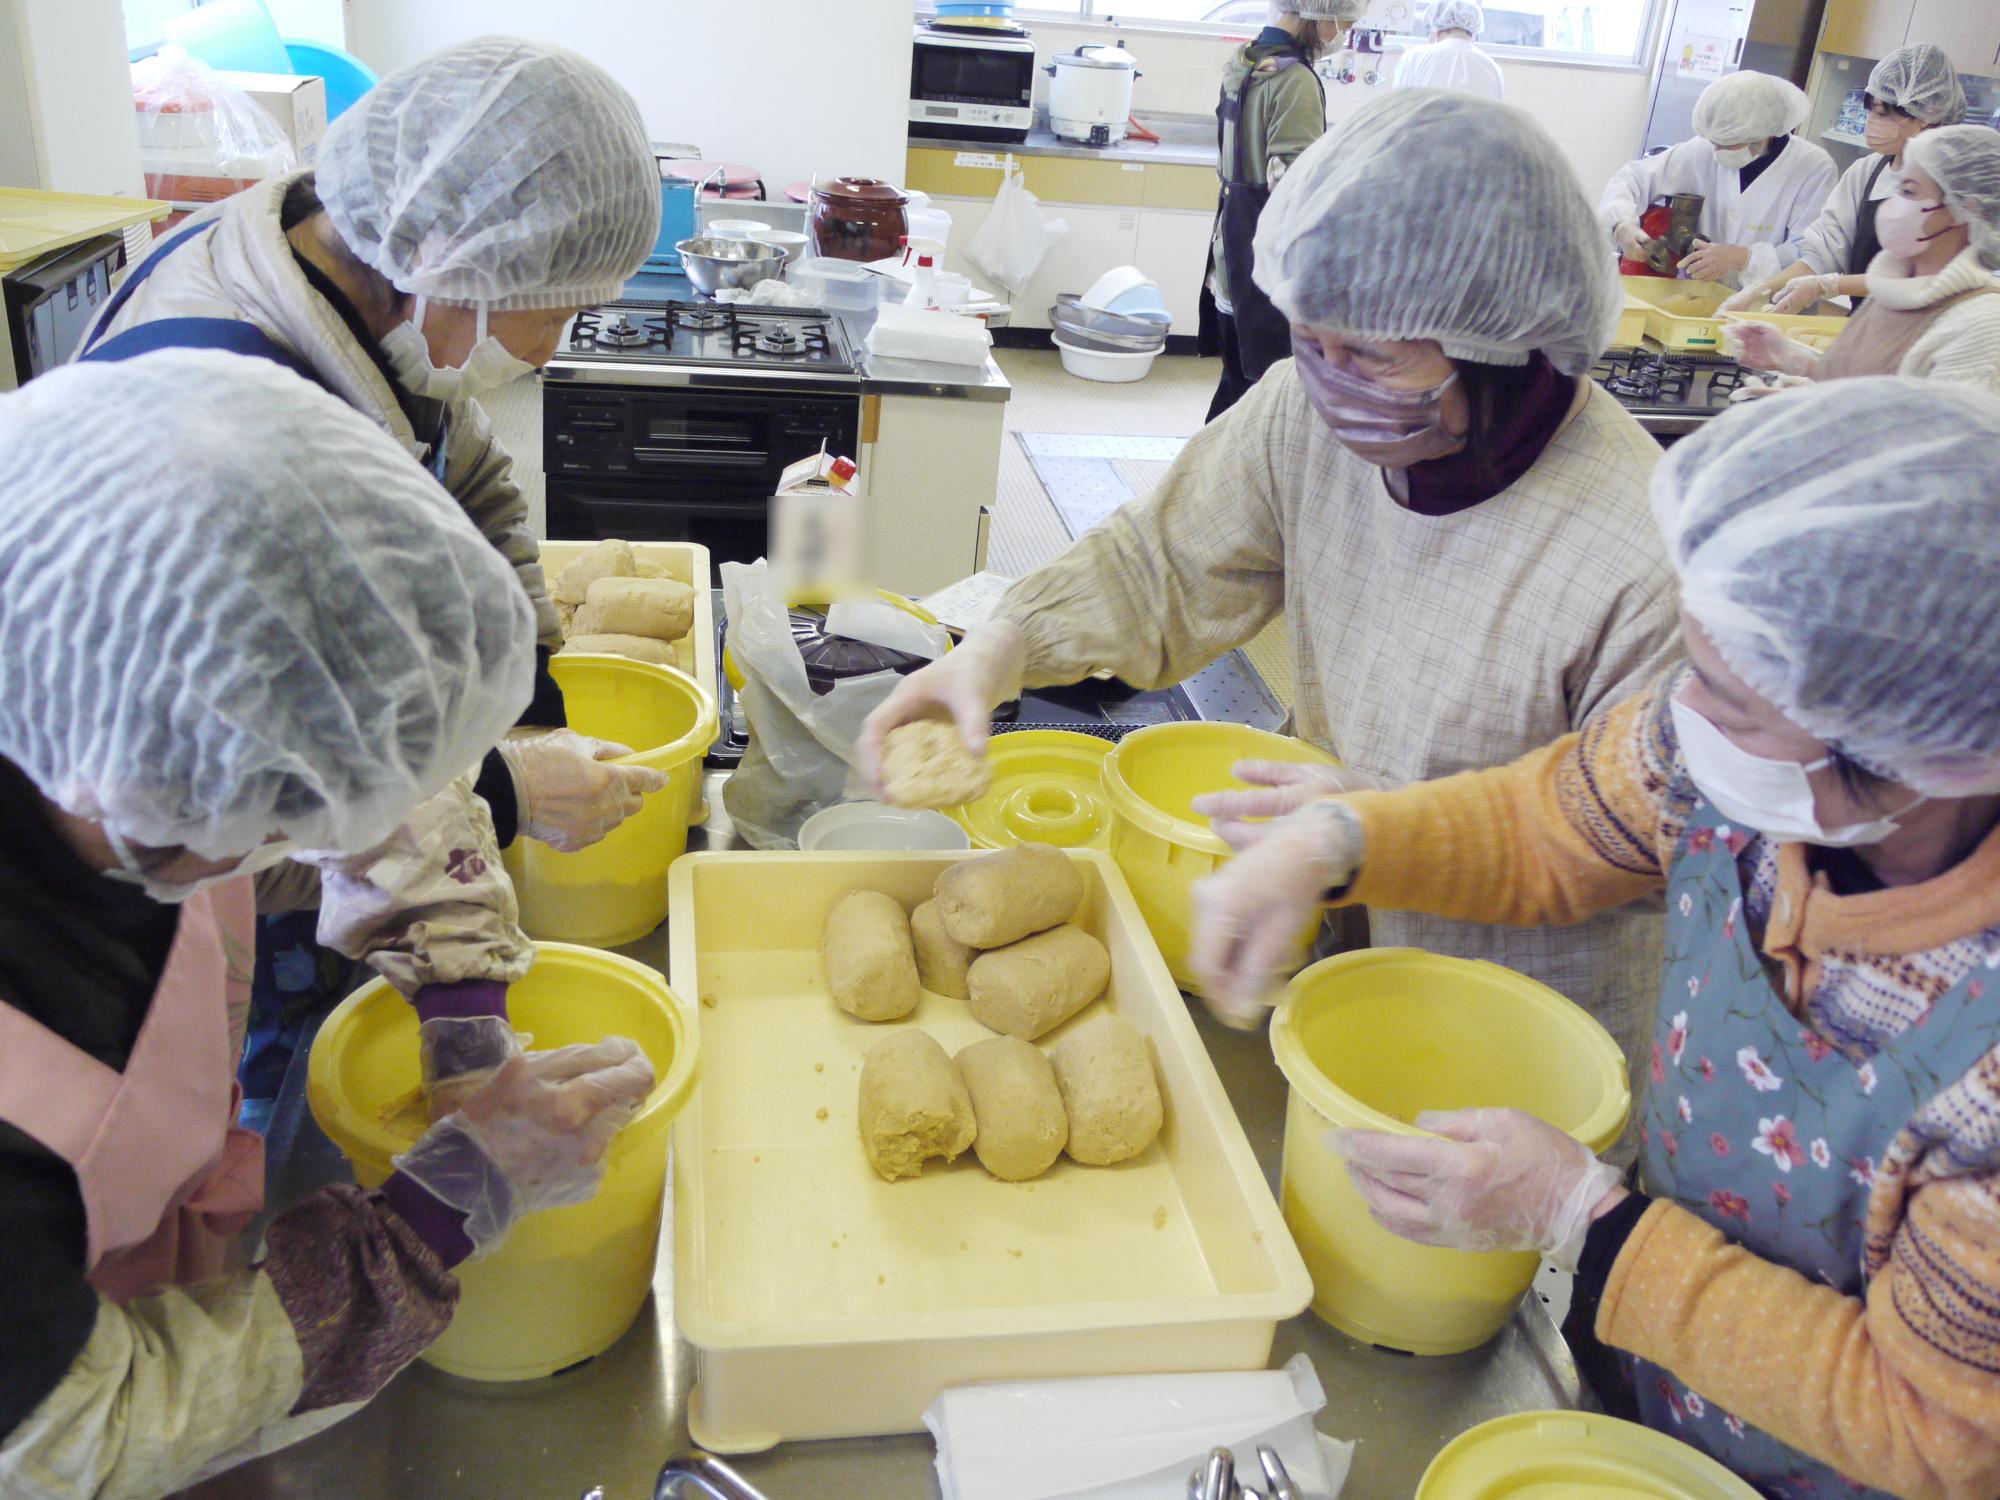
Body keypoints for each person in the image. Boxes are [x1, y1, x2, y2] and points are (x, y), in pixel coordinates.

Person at [1191, 377, 2000, 1498]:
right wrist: (1339, 838)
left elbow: (1935, 1430)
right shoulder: (1747, 765)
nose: (1681, 713)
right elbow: (1549, 825)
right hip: (1644, 1386)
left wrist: (1583, 1217)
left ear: (1922, 750)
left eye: (1729, 699)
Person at [865, 91, 1681, 1105]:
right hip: (1322, 917)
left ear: (1506, 345)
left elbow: (1637, 841)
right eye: (1309, 337)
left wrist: (1381, 832)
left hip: (1517, 1009)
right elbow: (1160, 564)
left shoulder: (1639, 554)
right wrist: (994, 650)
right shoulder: (1306, 414)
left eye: (1373, 353)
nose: (1328, 378)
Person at [0, 351, 656, 1498]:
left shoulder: (109, 668)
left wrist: (460, 997)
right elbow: (70, 1436)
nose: (326, 831)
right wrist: (438, 1211)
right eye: (287, 809)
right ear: (139, 781)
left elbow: (351, 742)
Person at [76, 35, 668, 1113]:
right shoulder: (225, 448)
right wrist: (503, 789)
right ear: (457, 255)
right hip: (155, 907)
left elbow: (466, 466)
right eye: (559, 306)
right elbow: (192, 818)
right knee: (272, 1140)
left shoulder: (325, 259)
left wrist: (529, 686)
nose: (550, 348)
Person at [1729, 124, 2000, 390]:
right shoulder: (1892, 289)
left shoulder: (1981, 322)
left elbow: (1938, 430)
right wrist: (1800, 366)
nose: (1893, 204)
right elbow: (1865, 386)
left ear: (1961, 210)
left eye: (1909, 191)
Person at [1199, 0, 1364, 421]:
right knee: (1265, 396)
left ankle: (1211, 473)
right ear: (1318, 15)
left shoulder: (1245, 61)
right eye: (1344, 21)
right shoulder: (1295, 81)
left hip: (1230, 248)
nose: (1343, 31)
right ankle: (1228, 478)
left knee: (1237, 382)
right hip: (1266, 253)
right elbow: (1292, 184)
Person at [1724, 43, 1967, 315]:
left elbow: (1928, 278)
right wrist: (1760, 293)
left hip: (1929, 331)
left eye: (1883, 113)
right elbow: (1824, 250)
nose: (1872, 121)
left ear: (1924, 115)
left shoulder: (1959, 181)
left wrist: (1830, 285)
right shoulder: (1866, 172)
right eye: (1871, 110)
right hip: (1865, 324)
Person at [1601, 70, 1836, 289]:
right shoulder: (1701, 150)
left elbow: (1811, 255)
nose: (1718, 149)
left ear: (1765, 133)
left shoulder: (1812, 168)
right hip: (1694, 297)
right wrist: (1621, 225)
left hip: (1770, 307)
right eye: (1714, 140)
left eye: (1730, 141)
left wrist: (1741, 258)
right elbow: (1631, 179)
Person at [1391, 1, 1504, 101]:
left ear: (1435, 29)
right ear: (1473, 32)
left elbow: (1396, 108)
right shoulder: (1491, 67)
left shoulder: (1413, 57)